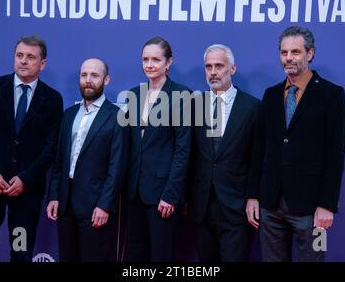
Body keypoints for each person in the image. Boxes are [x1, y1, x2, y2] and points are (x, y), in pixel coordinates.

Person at [246, 26, 345, 262]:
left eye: (295, 52)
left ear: (310, 54)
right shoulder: (270, 95)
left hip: (312, 208)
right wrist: (253, 195)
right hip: (270, 204)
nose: (288, 58)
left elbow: (335, 155)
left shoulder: (332, 95)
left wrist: (327, 205)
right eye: (283, 52)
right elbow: (259, 149)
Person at [0, 35, 63, 262]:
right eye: (19, 55)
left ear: (42, 64)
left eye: (30, 57)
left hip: (25, 195)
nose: (23, 61)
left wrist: (25, 179)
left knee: (20, 252)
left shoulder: (52, 99)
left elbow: (51, 146)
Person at [46, 58, 129, 262]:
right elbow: (59, 161)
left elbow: (117, 167)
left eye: (94, 75)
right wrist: (54, 196)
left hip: (95, 207)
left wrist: (104, 205)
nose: (88, 80)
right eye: (84, 75)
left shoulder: (117, 116)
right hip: (65, 205)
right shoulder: (69, 114)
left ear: (106, 80)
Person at [187, 44, 260, 261]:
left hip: (236, 207)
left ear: (233, 69)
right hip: (201, 206)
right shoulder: (194, 105)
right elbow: (188, 154)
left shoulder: (252, 107)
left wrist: (252, 197)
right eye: (209, 66)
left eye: (219, 66)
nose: (213, 72)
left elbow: (258, 157)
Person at [123, 37, 192, 262]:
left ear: (168, 62)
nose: (149, 65)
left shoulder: (182, 96)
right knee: (134, 253)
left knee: (161, 255)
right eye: (145, 59)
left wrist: (171, 195)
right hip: (134, 193)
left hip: (162, 195)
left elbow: (183, 150)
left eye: (155, 59)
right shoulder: (134, 94)